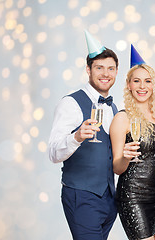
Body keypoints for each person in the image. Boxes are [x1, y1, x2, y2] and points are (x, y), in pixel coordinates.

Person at [48, 30, 118, 239]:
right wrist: (77, 137)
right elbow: (53, 153)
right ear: (88, 70)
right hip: (81, 195)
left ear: (116, 72)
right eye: (99, 68)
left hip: (109, 199)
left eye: (111, 68)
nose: (105, 73)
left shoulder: (114, 107)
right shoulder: (70, 103)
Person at [110, 44, 155, 240]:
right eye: (137, 81)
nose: (142, 86)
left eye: (147, 81)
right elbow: (117, 167)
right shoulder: (122, 119)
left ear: (153, 85)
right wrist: (125, 156)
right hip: (133, 195)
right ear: (129, 85)